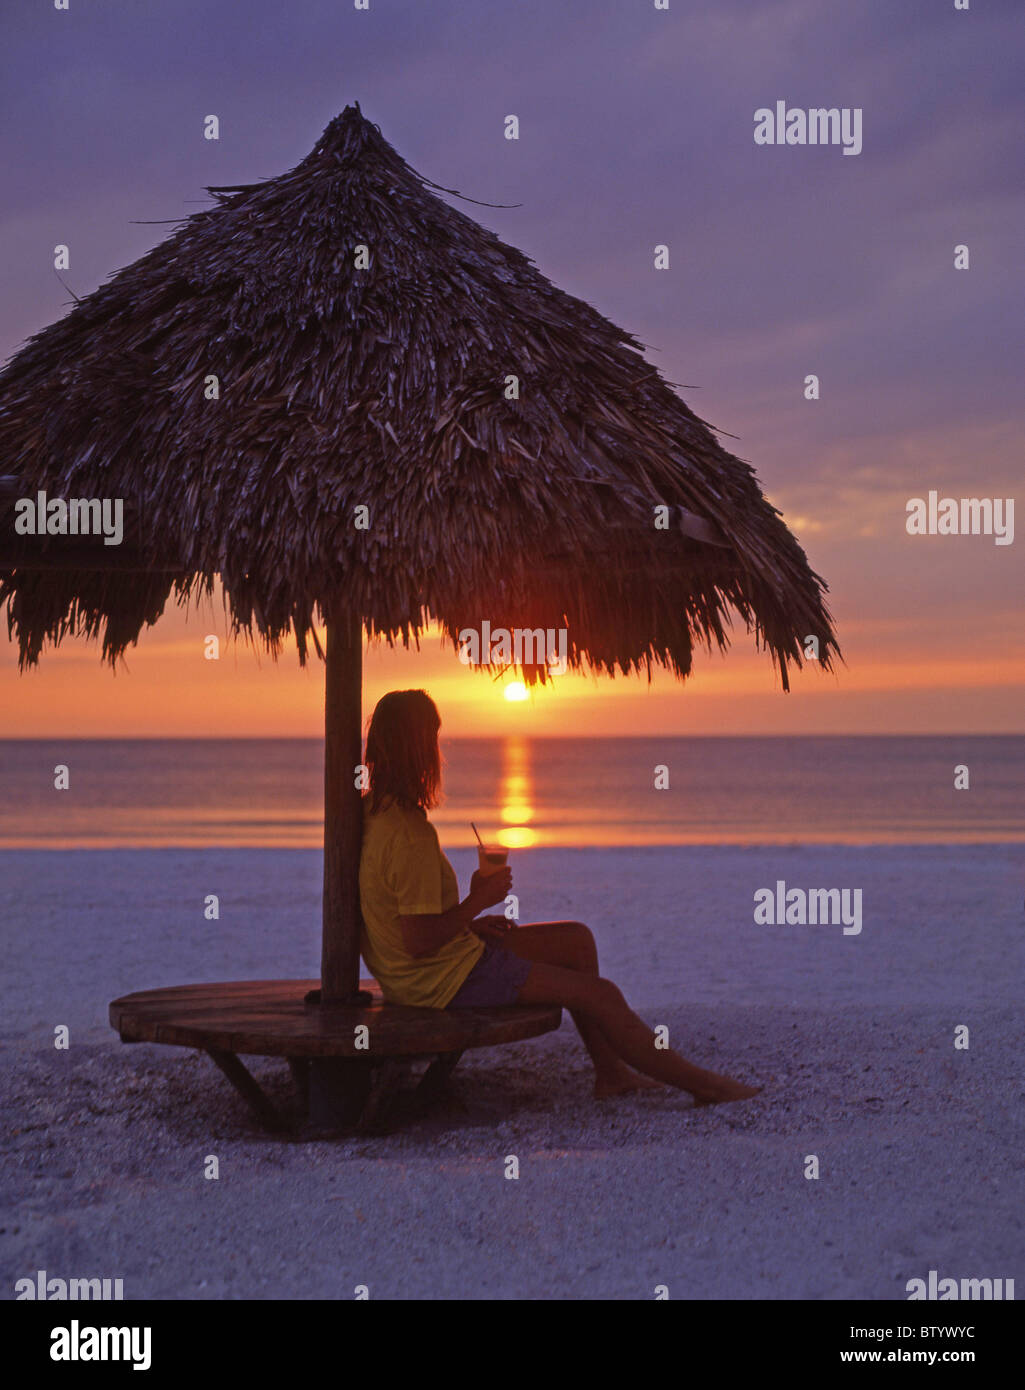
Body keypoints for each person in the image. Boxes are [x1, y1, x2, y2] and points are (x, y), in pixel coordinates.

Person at [358, 689, 760, 1105]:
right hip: (441, 980)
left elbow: (400, 916)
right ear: (419, 749)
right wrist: (477, 901)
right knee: (600, 994)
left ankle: (612, 1074)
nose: (437, 753)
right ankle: (705, 1086)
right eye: (433, 741)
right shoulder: (410, 836)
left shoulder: (373, 814)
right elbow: (417, 939)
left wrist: (470, 922)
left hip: (421, 969)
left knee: (576, 940)